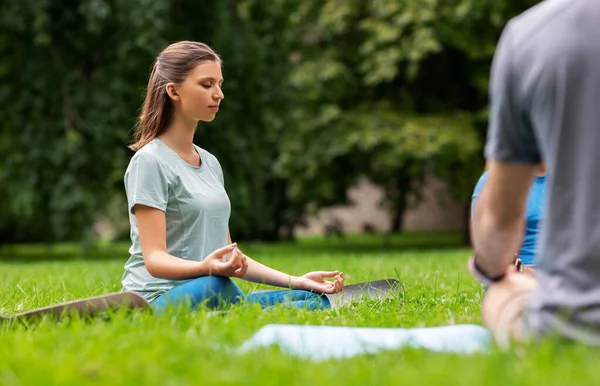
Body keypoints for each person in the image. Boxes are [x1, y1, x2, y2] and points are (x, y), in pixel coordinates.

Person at [120, 41, 344, 314]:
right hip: (154, 300)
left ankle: (232, 313)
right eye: (207, 84)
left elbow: (229, 256)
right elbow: (154, 259)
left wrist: (296, 281)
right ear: (173, 91)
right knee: (216, 286)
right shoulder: (150, 162)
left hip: (211, 287)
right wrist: (207, 269)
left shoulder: (211, 164)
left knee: (312, 299)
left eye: (219, 84)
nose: (219, 94)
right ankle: (234, 312)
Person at [469, 0, 600, 348]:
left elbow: (494, 241)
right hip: (535, 274)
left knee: (501, 294)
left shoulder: (531, 36)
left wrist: (499, 275)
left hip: (578, 324)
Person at [471, 164, 546, 269]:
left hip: (561, 272)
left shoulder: (570, 181)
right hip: (516, 272)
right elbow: (482, 237)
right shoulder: (492, 180)